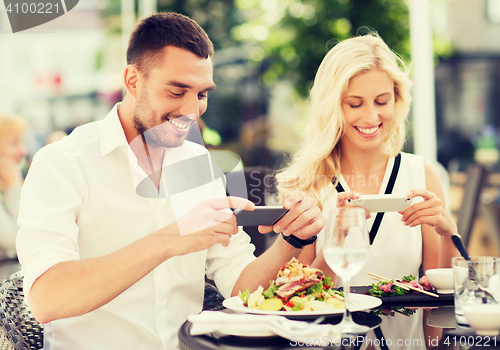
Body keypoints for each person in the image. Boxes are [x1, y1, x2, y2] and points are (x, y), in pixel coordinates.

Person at [16, 12, 324, 350]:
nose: (192, 112)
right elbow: (47, 300)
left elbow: (241, 287)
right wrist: (170, 239)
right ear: (133, 81)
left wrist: (291, 240)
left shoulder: (198, 165)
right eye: (177, 91)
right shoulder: (62, 164)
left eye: (202, 94)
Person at [275, 33, 459, 286]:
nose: (371, 117)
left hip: (407, 327)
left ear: (397, 99)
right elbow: (298, 297)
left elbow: (441, 297)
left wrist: (449, 232)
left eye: (382, 101)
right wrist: (337, 241)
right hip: (333, 327)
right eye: (355, 104)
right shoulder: (305, 185)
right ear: (332, 107)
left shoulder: (422, 175)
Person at [0, 113, 26, 258]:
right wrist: (13, 187)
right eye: (13, 143)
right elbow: (19, 241)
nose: (23, 151)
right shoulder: (11, 186)